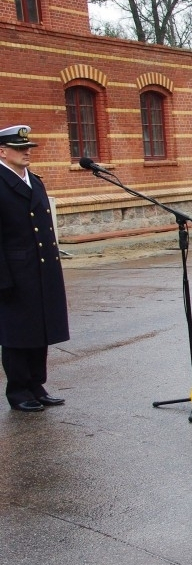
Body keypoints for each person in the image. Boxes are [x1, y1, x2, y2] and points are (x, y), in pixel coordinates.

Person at [0, 125, 69, 413]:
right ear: (3, 152)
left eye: (28, 147)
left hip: (41, 269)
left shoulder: (35, 181)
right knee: (17, 334)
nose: (27, 152)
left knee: (40, 329)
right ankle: (18, 391)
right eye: (19, 148)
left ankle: (36, 384)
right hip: (15, 272)